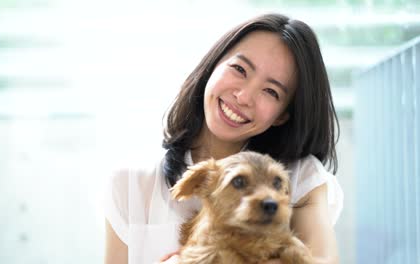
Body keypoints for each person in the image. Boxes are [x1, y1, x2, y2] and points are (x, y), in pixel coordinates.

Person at [104, 13, 343, 264]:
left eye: (271, 91)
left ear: (282, 115)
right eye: (240, 69)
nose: (243, 96)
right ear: (214, 65)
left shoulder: (301, 177)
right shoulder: (130, 184)